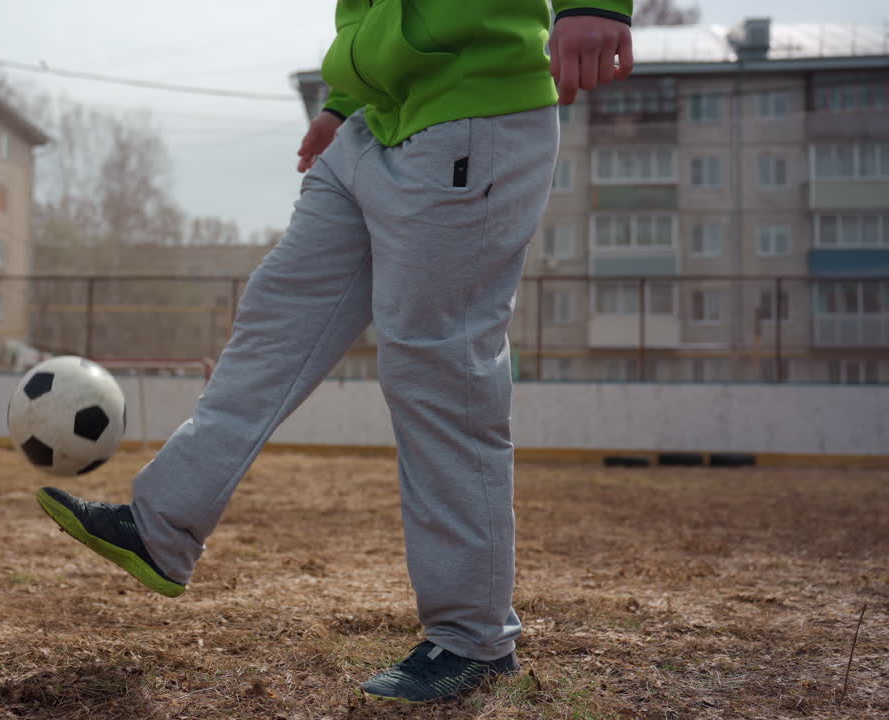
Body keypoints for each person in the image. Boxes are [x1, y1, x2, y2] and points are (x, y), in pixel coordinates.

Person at [36, 0, 633, 703]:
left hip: (475, 105)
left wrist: (596, 5)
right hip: (371, 123)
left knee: (438, 369)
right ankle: (161, 526)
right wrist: (343, 99)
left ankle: (474, 638)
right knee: (274, 320)